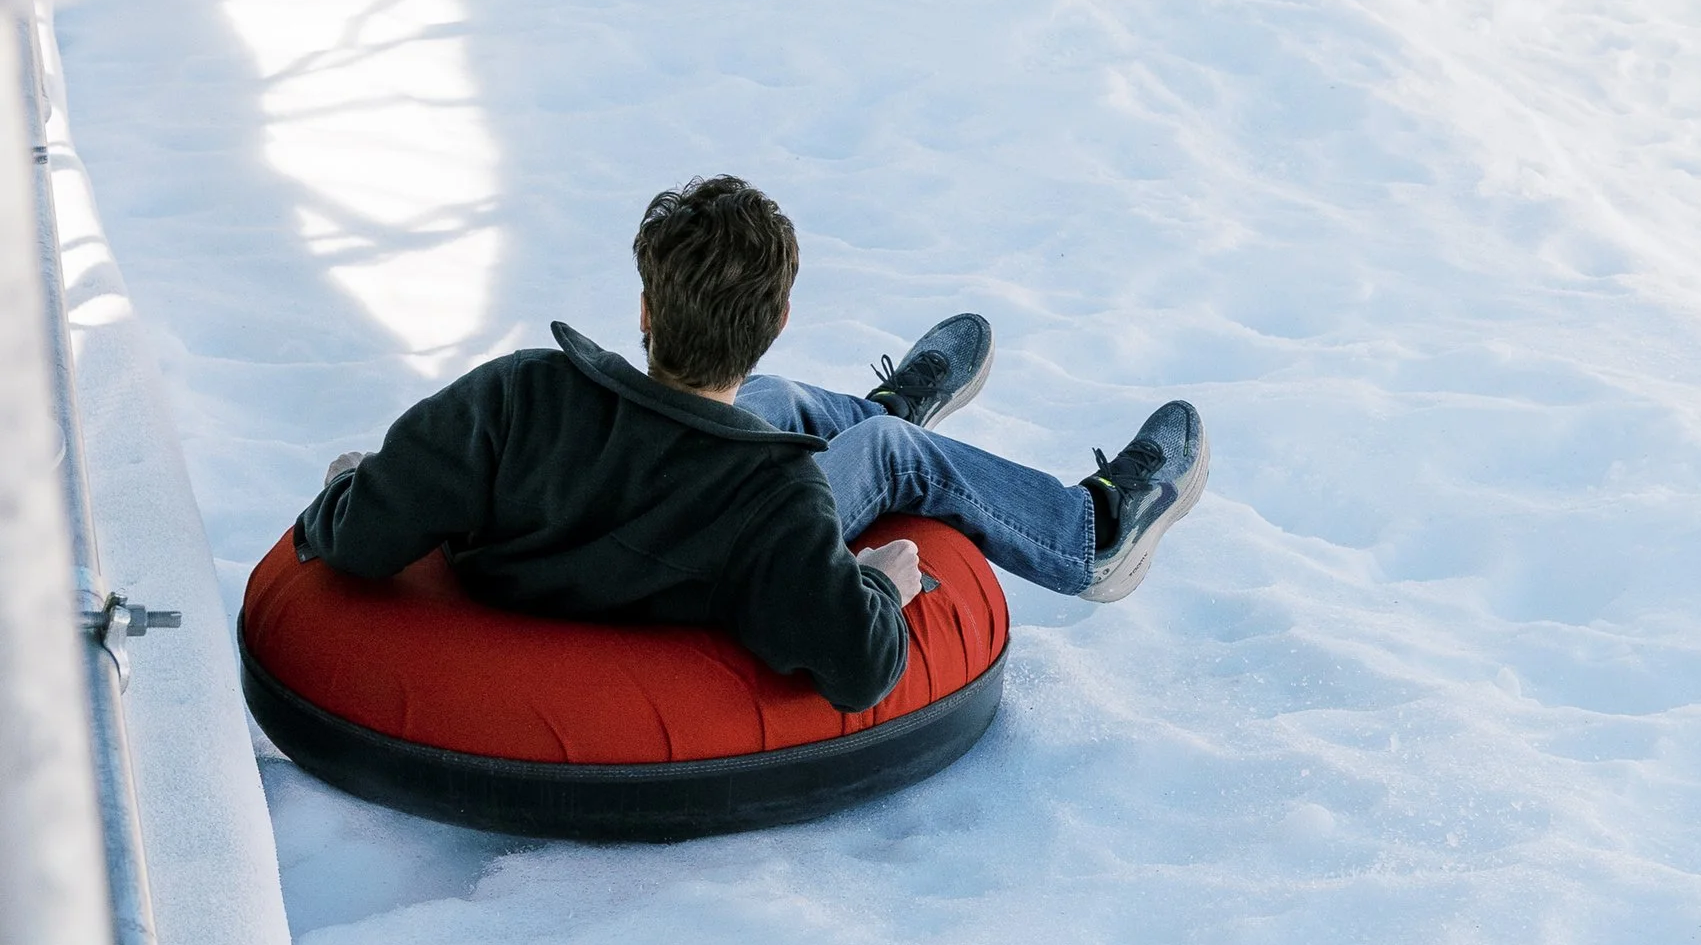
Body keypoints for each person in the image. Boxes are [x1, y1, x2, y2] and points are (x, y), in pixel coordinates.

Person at [294, 175, 1208, 711]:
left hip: (624, 492)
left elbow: (357, 534)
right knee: (891, 450)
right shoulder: (779, 504)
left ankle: (851, 410)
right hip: (705, 521)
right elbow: (858, 668)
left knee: (767, 402)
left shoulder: (516, 395)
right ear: (777, 316)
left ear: (647, 308)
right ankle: (1089, 538)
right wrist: (882, 585)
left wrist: (363, 482)